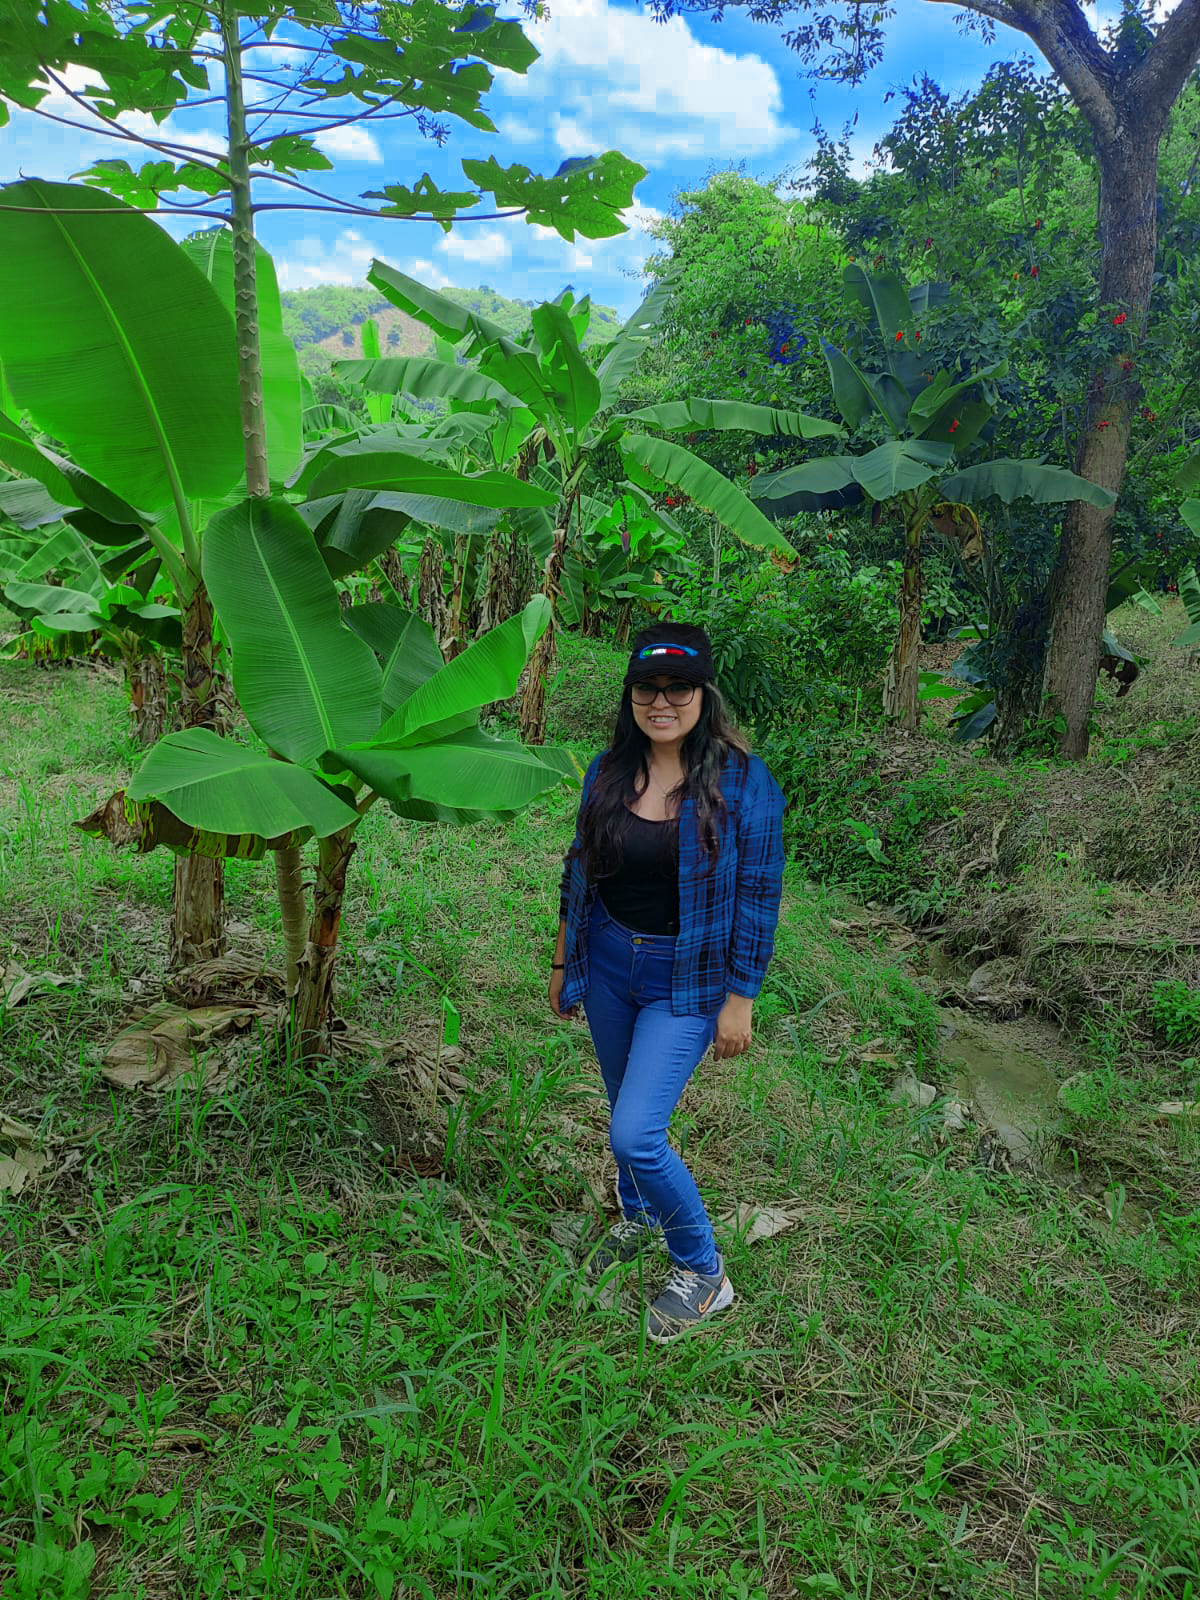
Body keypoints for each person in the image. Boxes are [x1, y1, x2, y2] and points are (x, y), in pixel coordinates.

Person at [549, 622, 786, 1343]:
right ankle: (640, 1216)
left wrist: (741, 999)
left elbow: (759, 894)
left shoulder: (744, 782)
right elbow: (578, 870)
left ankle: (703, 1271)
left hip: (688, 976)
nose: (661, 701)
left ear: (703, 694)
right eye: (647, 688)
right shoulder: (608, 770)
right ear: (630, 696)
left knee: (635, 1132)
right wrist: (563, 964)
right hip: (609, 961)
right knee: (623, 1102)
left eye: (678, 687)